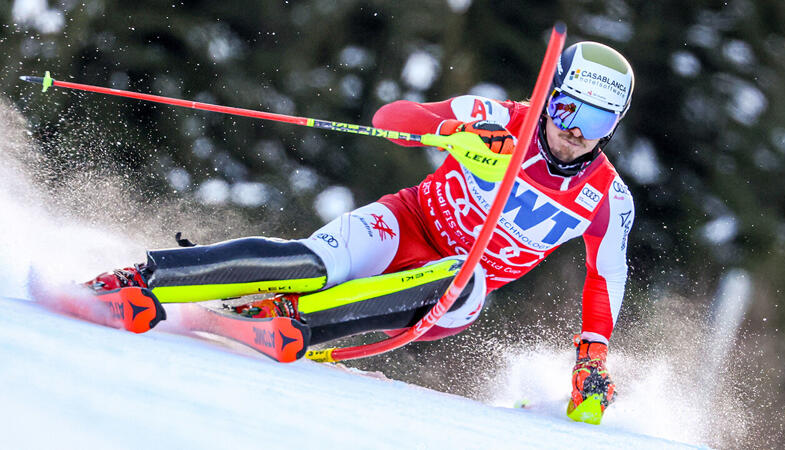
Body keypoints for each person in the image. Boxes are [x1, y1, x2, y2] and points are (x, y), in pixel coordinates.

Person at [86, 41, 634, 415]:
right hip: (406, 223)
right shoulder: (499, 117)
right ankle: (143, 278)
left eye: (597, 123)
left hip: (448, 294)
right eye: (567, 111)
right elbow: (390, 120)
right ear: (550, 98)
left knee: (465, 284)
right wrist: (453, 131)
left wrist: (592, 359)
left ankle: (290, 320)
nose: (576, 133)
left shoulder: (607, 198)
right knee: (311, 263)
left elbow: (604, 277)